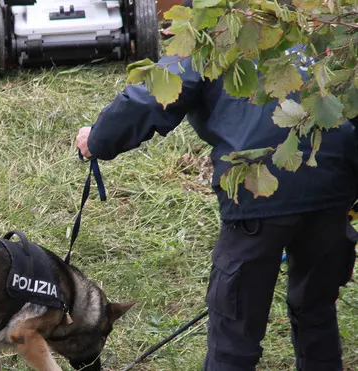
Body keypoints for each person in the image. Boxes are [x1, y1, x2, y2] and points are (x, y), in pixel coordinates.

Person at [75, 43, 358, 371]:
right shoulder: (315, 27)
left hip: (258, 185)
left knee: (234, 331)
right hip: (335, 183)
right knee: (317, 310)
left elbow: (154, 94)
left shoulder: (214, 32)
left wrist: (97, 139)